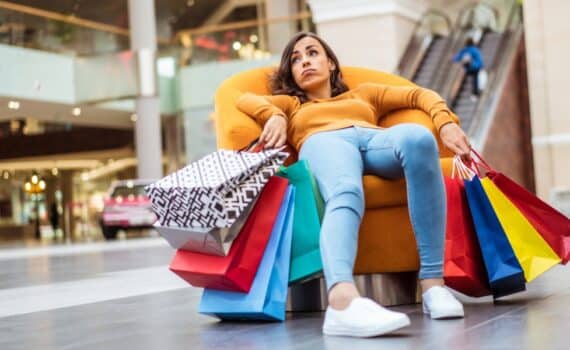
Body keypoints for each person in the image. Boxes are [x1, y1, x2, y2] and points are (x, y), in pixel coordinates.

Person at [236, 32, 471, 338]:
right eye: (296, 59)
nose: (305, 60)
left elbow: (419, 95)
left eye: (312, 53)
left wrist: (445, 121)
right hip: (324, 142)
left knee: (419, 139)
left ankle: (432, 285)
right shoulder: (291, 104)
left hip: (372, 139)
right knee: (346, 191)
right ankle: (342, 302)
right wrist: (275, 115)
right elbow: (243, 98)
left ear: (331, 63)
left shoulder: (364, 94)